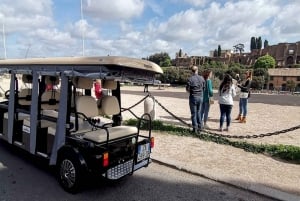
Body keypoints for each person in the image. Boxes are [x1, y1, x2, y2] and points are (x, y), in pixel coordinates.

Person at [186, 66, 205, 133]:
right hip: (200, 96)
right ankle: (200, 127)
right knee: (199, 112)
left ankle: (195, 128)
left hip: (193, 97)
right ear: (197, 70)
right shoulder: (201, 78)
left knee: (193, 114)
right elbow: (204, 88)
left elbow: (187, 89)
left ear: (191, 71)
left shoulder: (190, 79)